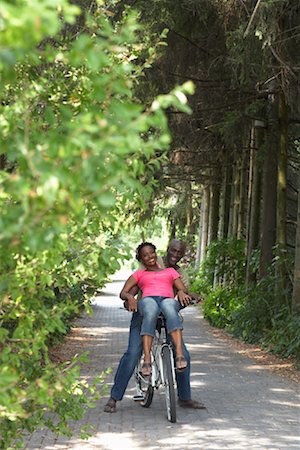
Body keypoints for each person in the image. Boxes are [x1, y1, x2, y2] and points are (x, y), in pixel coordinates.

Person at [104, 239, 205, 413]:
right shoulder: (144, 271)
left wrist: (189, 296)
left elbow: (183, 290)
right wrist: (130, 299)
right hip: (144, 314)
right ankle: (114, 397)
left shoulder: (174, 272)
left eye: (179, 253)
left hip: (166, 315)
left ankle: (184, 397)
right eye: (173, 251)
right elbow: (129, 291)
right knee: (133, 353)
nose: (175, 255)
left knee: (184, 354)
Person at [119, 242, 191, 376]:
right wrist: (129, 298)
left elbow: (183, 288)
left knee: (169, 305)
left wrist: (181, 291)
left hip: (166, 301)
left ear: (156, 253)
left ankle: (179, 355)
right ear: (141, 259)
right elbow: (123, 292)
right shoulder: (139, 274)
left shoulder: (170, 271)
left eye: (152, 253)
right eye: (145, 255)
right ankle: (147, 360)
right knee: (150, 306)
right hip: (148, 301)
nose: (150, 257)